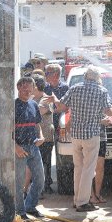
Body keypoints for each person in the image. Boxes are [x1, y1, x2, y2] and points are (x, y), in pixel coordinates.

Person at [58, 66, 112, 212]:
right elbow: (109, 111)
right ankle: (83, 202)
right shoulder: (102, 91)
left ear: (85, 76)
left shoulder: (75, 88)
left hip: (75, 135)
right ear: (97, 77)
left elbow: (62, 106)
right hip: (92, 134)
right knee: (88, 169)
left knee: (78, 168)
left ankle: (77, 199)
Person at [14, 77, 45, 221]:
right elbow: (6, 130)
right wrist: (16, 147)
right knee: (19, 182)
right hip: (20, 149)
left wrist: (41, 137)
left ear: (33, 89)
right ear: (18, 88)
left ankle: (30, 206)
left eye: (30, 88)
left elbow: (37, 125)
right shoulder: (13, 106)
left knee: (40, 179)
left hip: (33, 147)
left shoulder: (34, 104)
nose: (27, 91)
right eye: (24, 88)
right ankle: (20, 212)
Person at [43, 63, 69, 193]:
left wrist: (56, 102)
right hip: (47, 125)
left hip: (61, 125)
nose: (45, 76)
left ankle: (63, 186)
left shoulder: (65, 88)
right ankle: (46, 183)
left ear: (56, 75)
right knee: (46, 155)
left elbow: (66, 107)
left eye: (47, 73)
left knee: (61, 156)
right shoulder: (45, 88)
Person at [30, 75, 55, 200]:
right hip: (33, 137)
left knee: (44, 164)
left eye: (31, 85)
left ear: (36, 86)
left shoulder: (46, 99)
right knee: (34, 164)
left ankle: (43, 187)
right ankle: (36, 188)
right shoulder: (31, 99)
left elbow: (35, 113)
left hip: (45, 137)